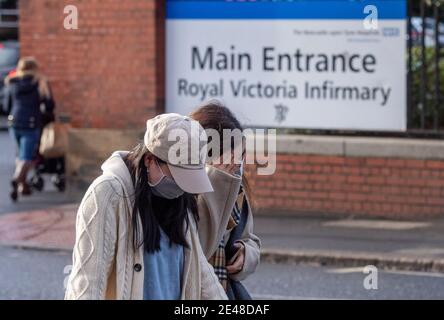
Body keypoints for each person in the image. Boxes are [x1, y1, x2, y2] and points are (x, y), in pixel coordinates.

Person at [65, 113, 227, 300]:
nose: (182, 187)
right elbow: (87, 283)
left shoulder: (182, 203)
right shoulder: (107, 194)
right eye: (177, 175)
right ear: (149, 160)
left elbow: (202, 275)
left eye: (189, 179)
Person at [190, 102, 261, 299]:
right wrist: (216, 185)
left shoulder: (235, 188)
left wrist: (246, 255)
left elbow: (248, 237)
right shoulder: (179, 189)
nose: (237, 165)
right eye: (231, 159)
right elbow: (197, 253)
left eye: (242, 156)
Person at [3, 56, 54, 201]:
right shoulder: (39, 82)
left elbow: (7, 105)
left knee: (20, 155)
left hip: (14, 122)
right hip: (31, 123)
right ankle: (16, 179)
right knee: (28, 157)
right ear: (35, 68)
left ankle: (22, 186)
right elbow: (50, 104)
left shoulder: (11, 82)